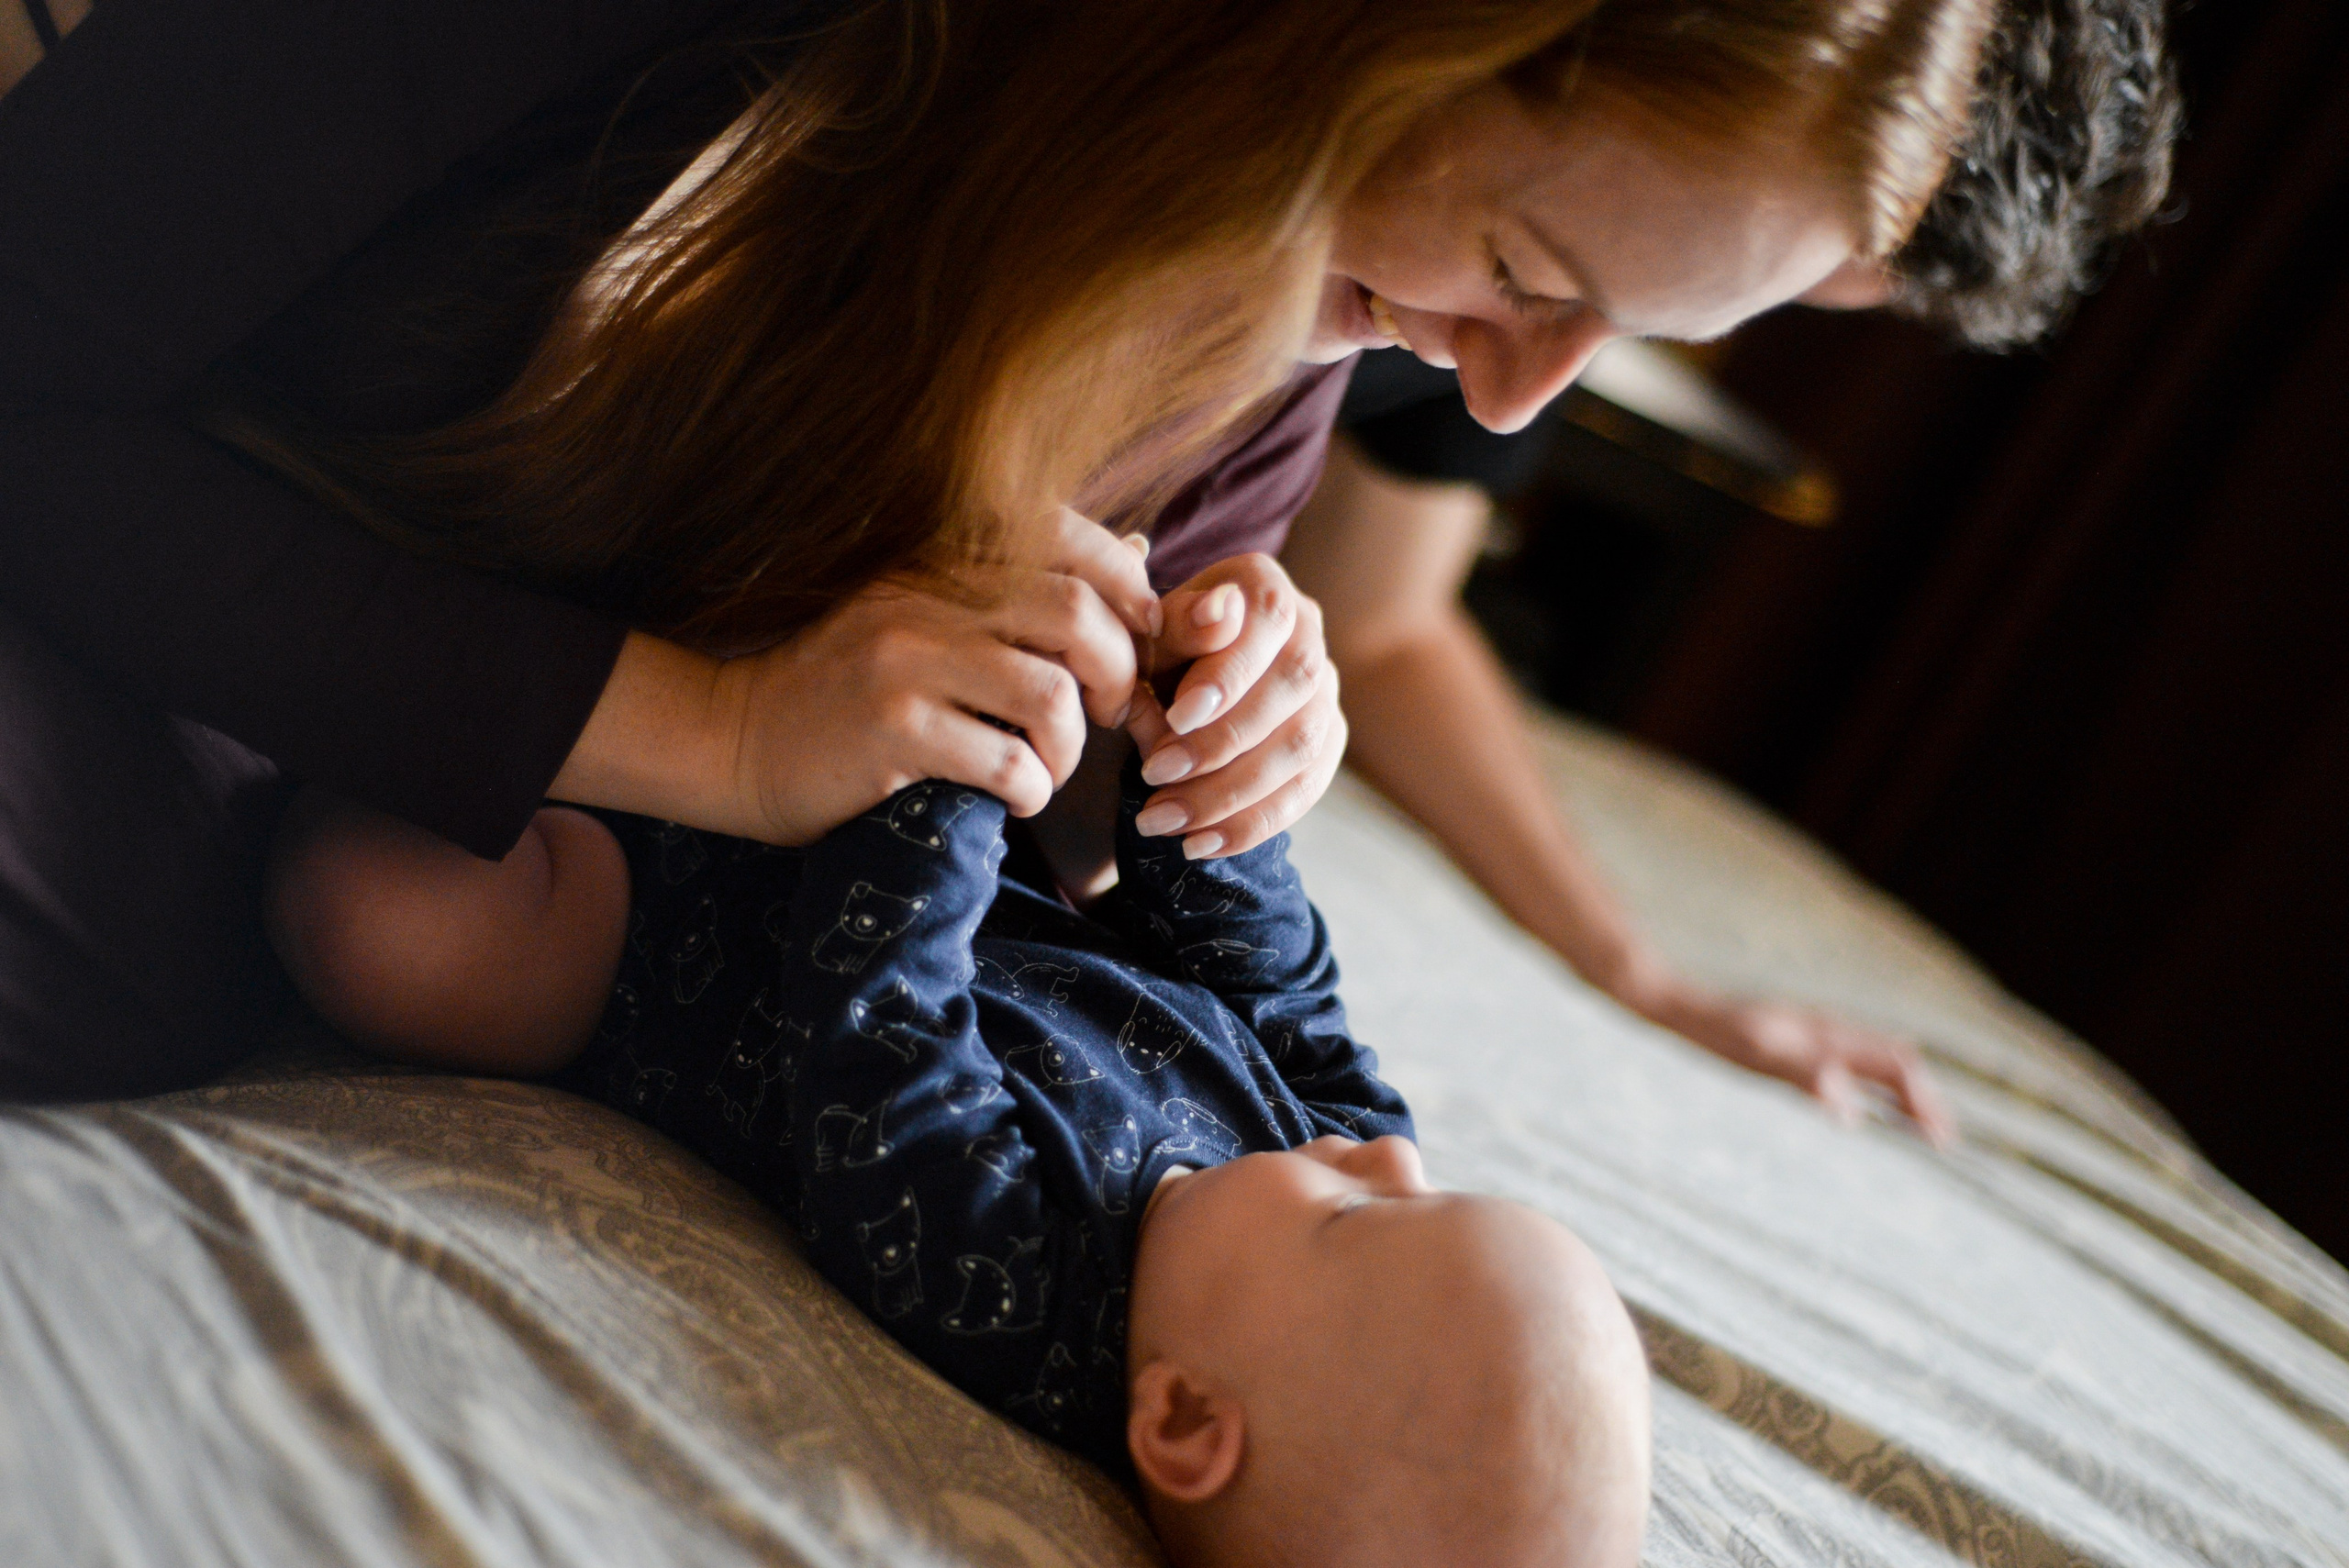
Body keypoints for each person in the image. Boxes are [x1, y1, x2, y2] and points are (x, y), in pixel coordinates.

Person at [1, 0, 2131, 1111]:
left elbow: (913, 860)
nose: (1496, 405)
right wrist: (714, 732)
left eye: (1611, 339)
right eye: (1518, 267)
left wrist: (1170, 767)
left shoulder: (1276, 341)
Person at [277, 670, 1657, 1565]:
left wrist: (960, 762)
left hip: (659, 939)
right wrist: (1217, 778)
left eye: (1364, 1221)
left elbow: (881, 1019)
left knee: (384, 926)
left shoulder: (1010, 1283)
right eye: (1437, 1183)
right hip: (865, 786)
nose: (1384, 1150)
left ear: (1181, 1418)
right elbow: (1272, 975)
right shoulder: (1311, 1149)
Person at [1280, 0, 2179, 1138]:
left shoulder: (1534, 311)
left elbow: (1379, 624)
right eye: (1533, 269)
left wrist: (1634, 971)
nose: (1516, 380)